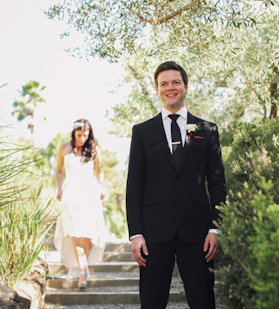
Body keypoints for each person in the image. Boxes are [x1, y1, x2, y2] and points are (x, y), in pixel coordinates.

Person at [125, 61, 227, 308]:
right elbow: (134, 186)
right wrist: (135, 234)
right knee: (152, 302)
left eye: (175, 82)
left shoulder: (206, 130)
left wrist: (216, 229)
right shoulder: (142, 131)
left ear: (186, 87)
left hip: (198, 232)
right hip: (153, 233)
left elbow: (217, 183)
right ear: (157, 89)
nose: (170, 88)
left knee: (203, 301)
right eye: (164, 84)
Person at [54, 118, 106, 289]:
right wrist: (59, 188)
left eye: (85, 135)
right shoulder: (64, 148)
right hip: (71, 195)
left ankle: (83, 264)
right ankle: (82, 272)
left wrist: (101, 187)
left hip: (89, 194)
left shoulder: (94, 149)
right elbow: (59, 171)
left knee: (88, 236)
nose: (82, 138)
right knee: (75, 232)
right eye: (79, 135)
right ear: (73, 133)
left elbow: (100, 172)